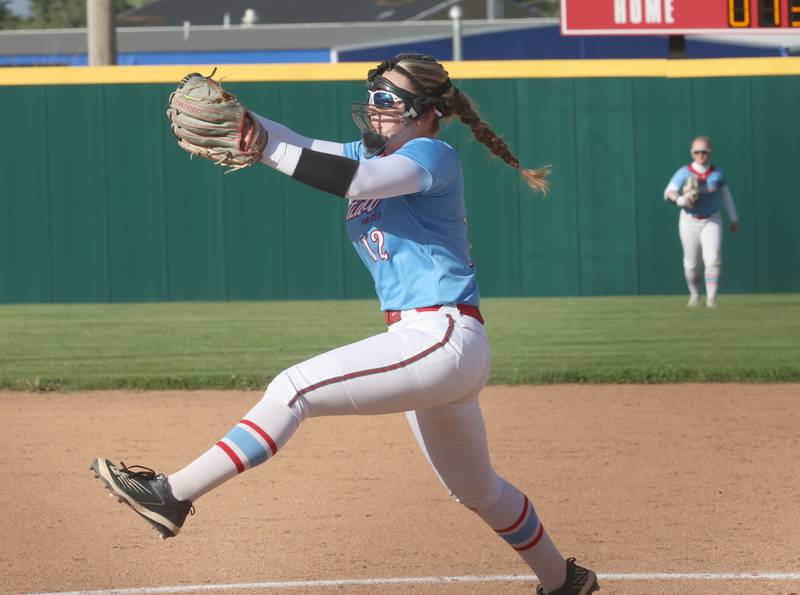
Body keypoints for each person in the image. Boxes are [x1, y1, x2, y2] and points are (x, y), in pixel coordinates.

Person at [91, 53, 599, 595]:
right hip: (431, 345)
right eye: (373, 96)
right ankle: (562, 580)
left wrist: (267, 148)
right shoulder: (371, 152)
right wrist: (249, 125)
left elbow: (357, 181)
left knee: (293, 389)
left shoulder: (431, 153)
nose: (373, 108)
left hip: (440, 336)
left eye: (387, 100)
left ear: (425, 111)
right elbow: (303, 146)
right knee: (477, 490)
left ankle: (172, 494)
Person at [664, 135, 739, 308]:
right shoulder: (684, 172)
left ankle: (712, 299)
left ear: (710, 153)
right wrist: (682, 200)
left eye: (704, 152)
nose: (701, 155)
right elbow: (668, 192)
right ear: (692, 153)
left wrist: (733, 217)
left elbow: (726, 195)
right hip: (689, 219)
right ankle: (695, 295)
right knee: (691, 262)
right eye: (697, 152)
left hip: (711, 219)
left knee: (712, 259)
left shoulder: (717, 173)